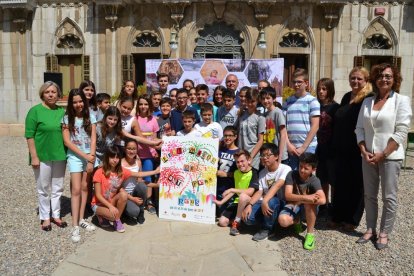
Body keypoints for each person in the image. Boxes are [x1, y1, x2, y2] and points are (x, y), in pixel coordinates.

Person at [355, 63, 412, 250]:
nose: (384, 79)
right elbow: (359, 129)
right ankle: (370, 228)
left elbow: (402, 130)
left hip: (390, 156)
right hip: (368, 156)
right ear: (375, 79)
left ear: (394, 79)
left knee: (389, 197)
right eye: (380, 75)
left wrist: (384, 153)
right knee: (369, 195)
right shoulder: (367, 101)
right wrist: (363, 150)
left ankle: (384, 232)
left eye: (388, 76)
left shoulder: (401, 100)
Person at [330, 67, 373, 231]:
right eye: (353, 78)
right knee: (341, 183)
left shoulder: (368, 98)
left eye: (359, 79)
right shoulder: (348, 96)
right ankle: (338, 215)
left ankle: (352, 219)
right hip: (341, 147)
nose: (355, 81)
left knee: (356, 185)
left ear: (366, 80)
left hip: (357, 148)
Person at [25, 81, 67, 231]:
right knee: (43, 188)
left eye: (53, 92)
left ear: (58, 94)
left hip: (60, 155)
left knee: (58, 187)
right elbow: (29, 135)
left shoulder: (62, 112)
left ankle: (56, 215)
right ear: (42, 93)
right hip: (41, 156)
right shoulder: (34, 111)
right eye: (47, 92)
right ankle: (45, 217)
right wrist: (34, 156)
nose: (50, 94)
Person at [91, 146, 160, 232]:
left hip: (111, 201)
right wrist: (110, 207)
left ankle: (117, 220)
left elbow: (138, 174)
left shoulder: (121, 171)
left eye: (117, 157)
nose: (115, 160)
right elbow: (97, 195)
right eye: (112, 157)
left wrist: (155, 172)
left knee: (123, 195)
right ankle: (101, 215)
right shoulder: (99, 172)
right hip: (98, 204)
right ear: (107, 157)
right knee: (112, 216)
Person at [62, 89, 97, 242]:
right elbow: (67, 141)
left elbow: (94, 139)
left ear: (85, 101)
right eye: (75, 102)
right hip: (76, 157)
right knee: (75, 190)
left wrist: (91, 159)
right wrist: (85, 157)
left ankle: (82, 219)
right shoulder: (66, 119)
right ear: (71, 103)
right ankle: (75, 225)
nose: (78, 104)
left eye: (80, 101)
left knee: (85, 188)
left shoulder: (91, 117)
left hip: (89, 156)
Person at [240, 144, 292, 241]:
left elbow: (278, 185)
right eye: (262, 155)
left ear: (276, 156)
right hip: (266, 201)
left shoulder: (285, 168)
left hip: (281, 202)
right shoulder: (262, 173)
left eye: (268, 155)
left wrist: (264, 201)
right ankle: (272, 222)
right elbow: (259, 191)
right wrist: (250, 204)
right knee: (247, 219)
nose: (264, 158)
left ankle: (267, 229)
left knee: (270, 202)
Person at [278, 153, 326, 251]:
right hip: (293, 205)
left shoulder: (314, 180)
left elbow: (323, 200)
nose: (302, 170)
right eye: (300, 166)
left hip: (306, 209)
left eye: (306, 168)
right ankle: (297, 221)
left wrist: (309, 200)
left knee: (310, 203)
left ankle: (310, 234)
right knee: (283, 221)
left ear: (313, 170)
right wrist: (307, 197)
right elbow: (287, 195)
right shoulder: (292, 174)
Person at [283, 68, 320, 170]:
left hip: (308, 148)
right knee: (293, 178)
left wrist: (303, 147)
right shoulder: (287, 101)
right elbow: (283, 125)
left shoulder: (312, 101)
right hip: (292, 148)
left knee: (306, 178)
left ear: (306, 83)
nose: (296, 85)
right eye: (294, 82)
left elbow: (315, 126)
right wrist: (288, 145)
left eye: (299, 82)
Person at [215, 150, 258, 230]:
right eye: (237, 162)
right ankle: (238, 220)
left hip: (248, 201)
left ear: (249, 160)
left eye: (242, 161)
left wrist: (231, 190)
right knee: (222, 222)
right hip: (237, 202)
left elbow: (250, 191)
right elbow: (234, 191)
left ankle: (237, 222)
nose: (240, 164)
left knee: (242, 196)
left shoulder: (254, 172)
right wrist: (221, 202)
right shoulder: (236, 173)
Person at [122, 139, 160, 225]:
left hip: (135, 192)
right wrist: (131, 198)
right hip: (124, 195)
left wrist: (157, 185)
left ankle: (141, 210)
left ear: (137, 150)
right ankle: (125, 212)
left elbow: (140, 181)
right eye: (129, 148)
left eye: (134, 149)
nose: (131, 151)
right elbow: (119, 188)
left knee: (142, 186)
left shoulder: (138, 162)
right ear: (125, 149)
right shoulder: (120, 164)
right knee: (133, 212)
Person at [315, 78, 339, 209]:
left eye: (324, 89)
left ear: (330, 90)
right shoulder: (315, 105)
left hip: (332, 148)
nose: (321, 92)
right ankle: (324, 204)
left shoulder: (335, 107)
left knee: (333, 179)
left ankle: (335, 206)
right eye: (319, 89)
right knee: (322, 178)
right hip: (320, 148)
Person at [136, 95, 159, 214]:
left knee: (148, 178)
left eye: (145, 104)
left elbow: (154, 139)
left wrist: (155, 151)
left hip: (149, 155)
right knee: (137, 179)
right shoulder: (134, 118)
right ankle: (139, 202)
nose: (143, 106)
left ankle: (149, 202)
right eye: (141, 104)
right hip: (136, 154)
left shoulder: (153, 119)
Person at [237, 88, 265, 170]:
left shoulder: (260, 117)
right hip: (241, 154)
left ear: (257, 101)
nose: (249, 104)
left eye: (252, 101)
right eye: (248, 101)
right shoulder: (241, 114)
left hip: (253, 156)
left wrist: (251, 156)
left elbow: (261, 140)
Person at [260, 86, 288, 164]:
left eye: (268, 98)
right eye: (263, 98)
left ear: (274, 98)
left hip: (279, 156)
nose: (265, 101)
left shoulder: (278, 112)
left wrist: (280, 156)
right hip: (269, 155)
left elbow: (283, 135)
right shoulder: (265, 114)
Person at [216, 126, 239, 213]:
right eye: (225, 136)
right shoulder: (219, 151)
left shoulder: (239, 152)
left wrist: (226, 174)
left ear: (235, 137)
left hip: (229, 191)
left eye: (230, 135)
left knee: (223, 216)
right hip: (216, 188)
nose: (227, 138)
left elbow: (242, 174)